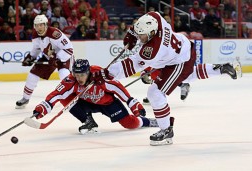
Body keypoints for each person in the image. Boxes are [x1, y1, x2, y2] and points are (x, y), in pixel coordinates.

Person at [93, 11, 241, 145]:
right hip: (183, 48)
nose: (139, 38)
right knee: (187, 76)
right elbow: (148, 17)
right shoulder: (156, 19)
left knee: (155, 93)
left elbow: (131, 65)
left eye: (141, 35)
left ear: (151, 33)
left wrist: (107, 74)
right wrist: (132, 33)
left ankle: (166, 130)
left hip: (179, 61)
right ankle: (221, 68)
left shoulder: (152, 51)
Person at [32, 59, 166, 134]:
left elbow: (118, 88)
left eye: (82, 75)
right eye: (76, 75)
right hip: (87, 103)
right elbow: (57, 94)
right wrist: (43, 107)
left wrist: (133, 103)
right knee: (66, 99)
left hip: (107, 103)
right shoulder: (70, 81)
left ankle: (148, 121)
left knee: (129, 124)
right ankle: (88, 121)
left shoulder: (100, 76)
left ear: (88, 72)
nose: (79, 78)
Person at [16, 14, 74, 109]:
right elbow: (36, 49)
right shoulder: (35, 35)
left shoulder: (55, 33)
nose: (39, 27)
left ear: (46, 25)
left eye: (41, 25)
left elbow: (69, 49)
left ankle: (72, 97)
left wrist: (57, 59)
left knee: (64, 75)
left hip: (64, 55)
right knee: (33, 74)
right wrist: (30, 58)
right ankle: (25, 98)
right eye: (37, 25)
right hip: (48, 56)